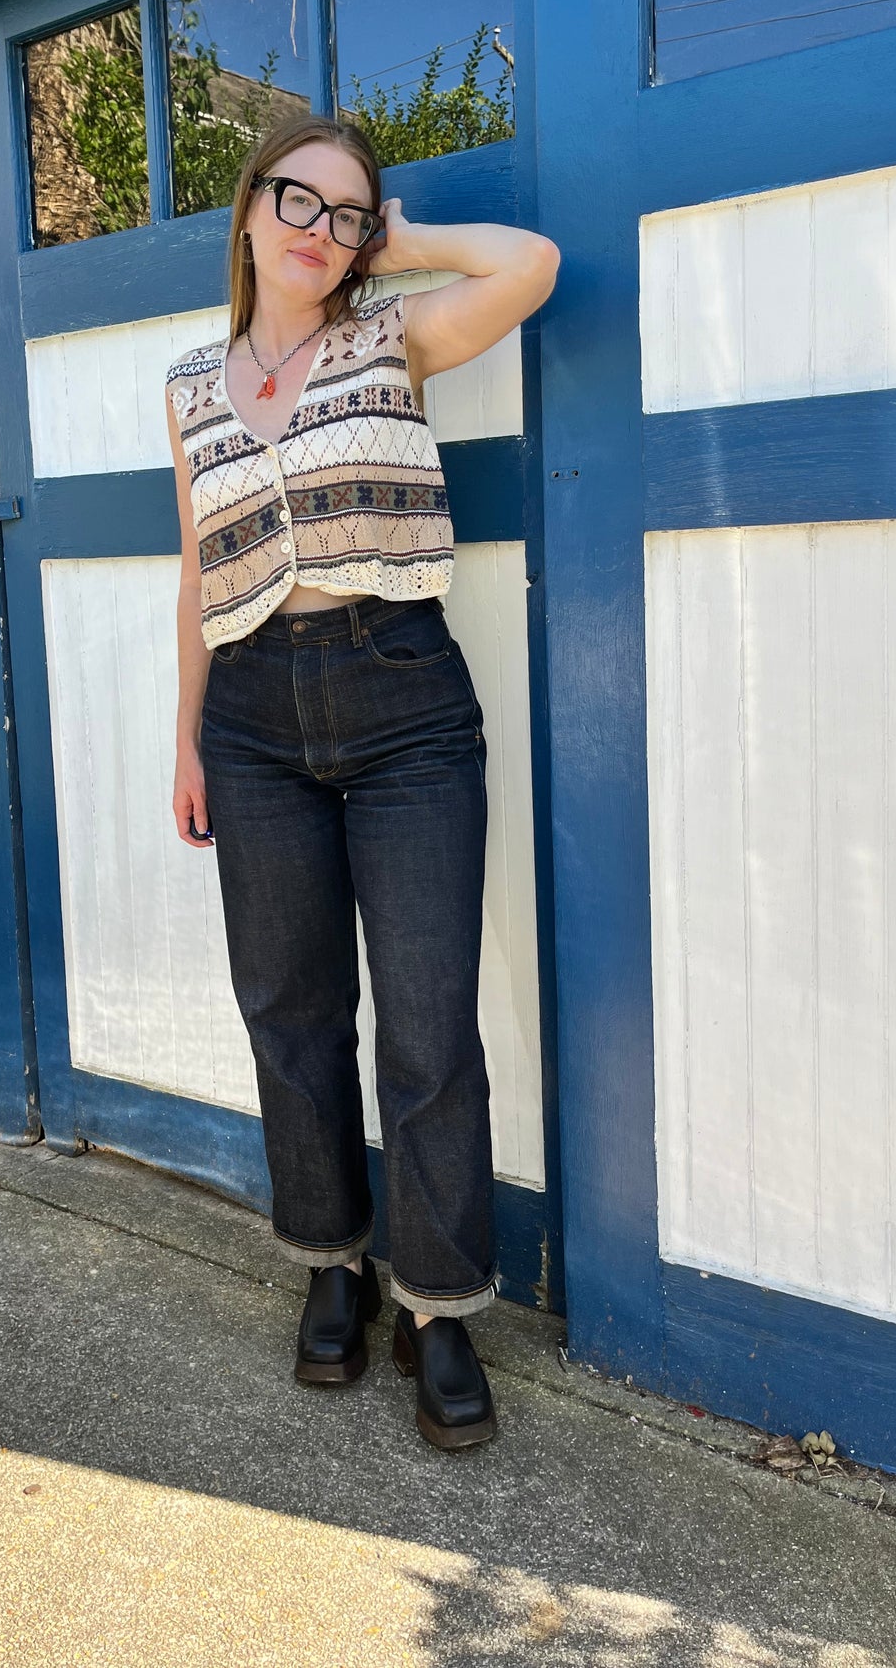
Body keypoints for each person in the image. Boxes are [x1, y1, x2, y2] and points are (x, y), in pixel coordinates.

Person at [164, 112, 558, 1449]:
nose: (318, 230)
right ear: (248, 206)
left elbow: (531, 265)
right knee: (288, 1008)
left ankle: (435, 1306)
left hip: (402, 703)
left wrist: (410, 241)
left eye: (345, 214)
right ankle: (329, 1264)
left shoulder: (388, 340)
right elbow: (197, 572)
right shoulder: (190, 384)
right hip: (255, 715)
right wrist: (188, 737)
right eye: (297, 200)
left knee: (427, 1024)